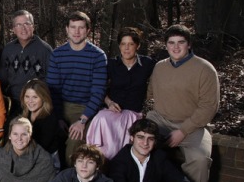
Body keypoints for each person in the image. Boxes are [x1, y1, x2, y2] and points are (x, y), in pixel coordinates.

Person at [146, 24, 219, 182]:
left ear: (189, 44)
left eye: (180, 43)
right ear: (166, 45)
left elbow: (208, 107)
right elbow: (147, 92)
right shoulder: (159, 67)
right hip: (160, 119)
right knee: (139, 147)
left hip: (193, 124)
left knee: (199, 160)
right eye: (171, 43)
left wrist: (183, 131)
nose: (176, 47)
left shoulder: (204, 69)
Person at [46, 11, 108, 165]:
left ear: (88, 30)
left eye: (81, 28)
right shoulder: (57, 55)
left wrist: (82, 120)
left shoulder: (98, 56)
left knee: (74, 141)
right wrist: (59, 117)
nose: (76, 31)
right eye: (73, 27)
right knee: (46, 134)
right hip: (60, 106)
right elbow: (53, 89)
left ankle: (70, 178)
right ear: (67, 29)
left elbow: (98, 92)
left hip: (85, 108)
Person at [86, 27, 156, 159]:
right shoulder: (111, 64)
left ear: (138, 46)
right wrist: (109, 102)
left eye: (131, 44)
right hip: (113, 111)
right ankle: (98, 160)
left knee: (131, 135)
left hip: (134, 113)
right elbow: (99, 87)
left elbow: (158, 82)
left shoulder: (147, 64)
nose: (126, 48)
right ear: (119, 46)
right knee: (100, 118)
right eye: (123, 44)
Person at [0, 10, 53, 116]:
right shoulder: (8, 49)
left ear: (33, 26)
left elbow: (51, 81)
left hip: (36, 105)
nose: (23, 28)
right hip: (14, 103)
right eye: (18, 25)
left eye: (27, 24)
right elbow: (2, 79)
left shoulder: (44, 49)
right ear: (14, 29)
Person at [19, 80, 65, 161]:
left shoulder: (50, 119)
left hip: (46, 160)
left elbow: (41, 147)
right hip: (27, 155)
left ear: (44, 98)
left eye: (35, 97)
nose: (30, 101)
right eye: (27, 96)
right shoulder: (24, 114)